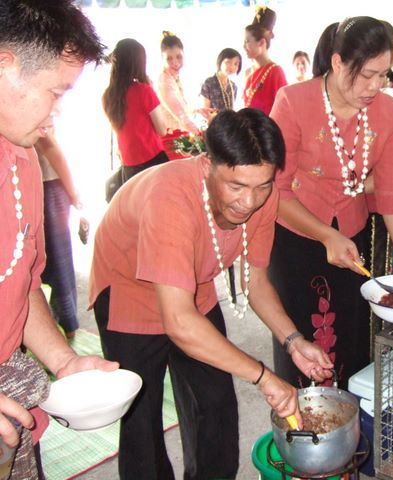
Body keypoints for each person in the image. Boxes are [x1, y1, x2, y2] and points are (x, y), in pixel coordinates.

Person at [89, 108, 333, 479]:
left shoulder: (263, 197)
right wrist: (264, 376)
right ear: (207, 165)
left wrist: (293, 341)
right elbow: (179, 322)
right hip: (128, 289)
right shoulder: (170, 198)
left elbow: (255, 282)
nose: (249, 201)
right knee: (141, 417)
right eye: (236, 186)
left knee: (216, 405)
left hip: (194, 285)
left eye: (262, 186)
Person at [269, 17, 393, 390]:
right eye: (367, 75)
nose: (376, 86)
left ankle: (348, 416)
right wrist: (325, 235)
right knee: (301, 336)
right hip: (296, 238)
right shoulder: (294, 102)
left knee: (351, 332)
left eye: (383, 74)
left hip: (351, 236)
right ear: (338, 62)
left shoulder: (388, 110)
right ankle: (300, 420)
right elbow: (275, 190)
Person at [0, 2, 118, 477]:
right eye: (56, 92)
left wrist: (63, 361)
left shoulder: (22, 157)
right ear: (4, 65)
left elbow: (22, 284)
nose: (55, 115)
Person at [35, 132, 88, 339]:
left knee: (53, 264)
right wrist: (73, 193)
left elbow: (51, 147)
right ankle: (66, 324)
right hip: (44, 186)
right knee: (57, 264)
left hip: (44, 185)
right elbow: (51, 148)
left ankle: (66, 324)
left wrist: (73, 193)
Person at [103, 38, 169, 185]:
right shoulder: (143, 90)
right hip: (152, 158)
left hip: (129, 164)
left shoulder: (107, 96)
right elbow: (162, 130)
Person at [157, 31, 206, 135]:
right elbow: (181, 116)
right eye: (169, 59)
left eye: (179, 57)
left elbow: (181, 108)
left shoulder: (174, 77)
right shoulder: (164, 81)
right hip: (171, 137)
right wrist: (201, 134)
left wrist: (198, 111)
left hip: (180, 134)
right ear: (162, 59)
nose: (175, 63)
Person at [243, 6, 287, 114]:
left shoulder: (276, 72)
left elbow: (284, 109)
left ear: (261, 42)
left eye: (247, 41)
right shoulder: (248, 73)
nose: (243, 46)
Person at [200, 47, 241, 115]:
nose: (232, 67)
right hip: (212, 120)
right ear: (220, 61)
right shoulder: (209, 83)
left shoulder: (233, 86)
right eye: (228, 62)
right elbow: (205, 110)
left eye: (236, 64)